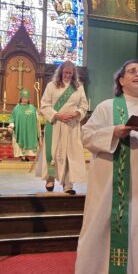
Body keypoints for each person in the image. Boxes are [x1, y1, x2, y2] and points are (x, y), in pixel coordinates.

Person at [75, 59, 138, 274]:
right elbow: (86, 136)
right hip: (111, 187)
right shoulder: (107, 107)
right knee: (103, 228)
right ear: (121, 80)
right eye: (132, 71)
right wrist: (114, 131)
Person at [36, 60, 88, 195]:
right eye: (65, 72)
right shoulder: (51, 86)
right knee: (53, 152)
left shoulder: (78, 87)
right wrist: (57, 115)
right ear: (60, 72)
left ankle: (68, 184)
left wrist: (78, 113)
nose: (68, 75)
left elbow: (84, 106)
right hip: (55, 124)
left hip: (71, 126)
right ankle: (50, 178)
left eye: (70, 73)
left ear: (74, 74)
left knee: (70, 154)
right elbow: (44, 105)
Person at [8, 89, 39, 161]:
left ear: (29, 99)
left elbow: (37, 118)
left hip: (31, 130)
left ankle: (28, 156)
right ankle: (22, 156)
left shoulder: (32, 107)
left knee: (30, 140)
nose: (25, 100)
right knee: (21, 141)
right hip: (21, 129)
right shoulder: (17, 108)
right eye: (24, 98)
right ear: (21, 98)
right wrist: (11, 125)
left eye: (27, 98)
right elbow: (12, 117)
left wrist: (39, 114)